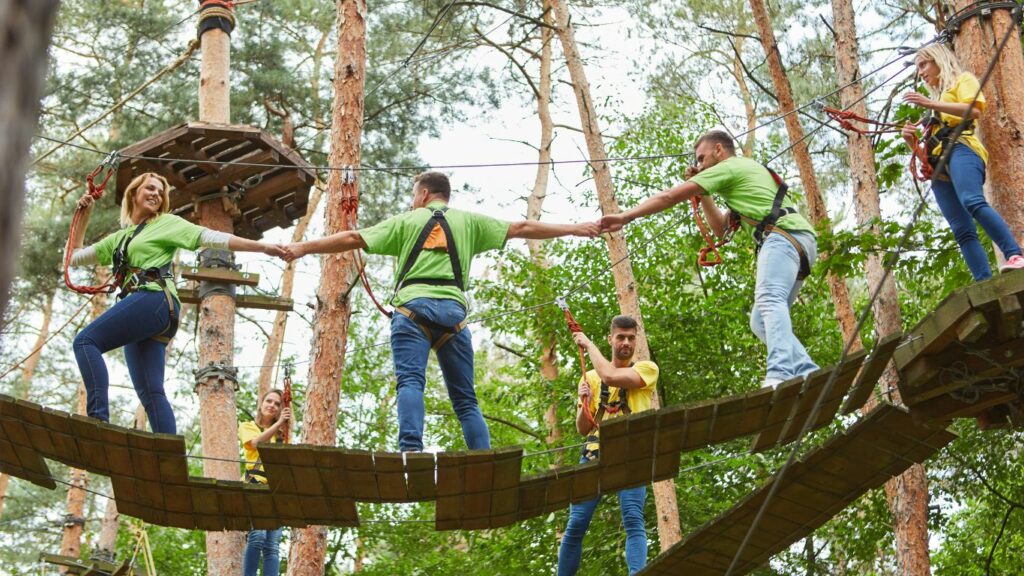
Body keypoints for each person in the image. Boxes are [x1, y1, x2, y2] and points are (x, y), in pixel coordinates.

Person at [281, 171, 598, 452]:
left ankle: (411, 452)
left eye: (413, 196)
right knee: (465, 399)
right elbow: (522, 227)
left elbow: (352, 237)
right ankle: (483, 458)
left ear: (422, 194)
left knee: (410, 383)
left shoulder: (407, 221)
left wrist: (302, 248)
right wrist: (575, 228)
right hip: (454, 317)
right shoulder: (469, 221)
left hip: (412, 311)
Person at [69, 172, 285, 434]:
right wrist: (84, 215)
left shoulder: (166, 223)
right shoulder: (119, 239)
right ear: (133, 194)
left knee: (85, 341)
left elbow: (211, 237)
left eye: (160, 193)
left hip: (154, 300)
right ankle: (168, 458)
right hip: (151, 311)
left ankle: (98, 421)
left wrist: (262, 248)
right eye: (150, 189)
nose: (156, 195)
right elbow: (74, 257)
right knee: (151, 392)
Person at [598, 130, 818, 388]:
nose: (699, 165)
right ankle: (806, 370)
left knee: (770, 299)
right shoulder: (743, 174)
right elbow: (721, 229)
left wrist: (626, 217)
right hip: (798, 241)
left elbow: (669, 196)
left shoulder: (730, 166)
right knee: (760, 321)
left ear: (719, 150)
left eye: (702, 159)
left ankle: (780, 372)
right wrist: (705, 195)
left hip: (783, 238)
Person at [901, 43, 1024, 281]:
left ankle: (1014, 254)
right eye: (918, 68)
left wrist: (930, 104)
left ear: (938, 60)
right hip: (938, 167)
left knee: (972, 200)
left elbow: (974, 111)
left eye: (924, 64)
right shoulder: (933, 106)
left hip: (962, 149)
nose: (921, 72)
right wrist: (912, 143)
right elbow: (926, 155)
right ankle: (983, 282)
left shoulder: (962, 81)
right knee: (962, 231)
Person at [558, 315, 658, 576]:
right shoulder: (590, 378)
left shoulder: (647, 369)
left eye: (631, 338)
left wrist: (588, 344)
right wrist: (584, 401)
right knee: (576, 523)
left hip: (630, 456)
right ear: (610, 339)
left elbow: (611, 376)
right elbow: (583, 428)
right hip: (594, 454)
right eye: (621, 337)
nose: (626, 342)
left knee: (633, 518)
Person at [238, 389, 291, 576]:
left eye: (277, 404)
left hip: (277, 490)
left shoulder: (282, 436)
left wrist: (285, 426)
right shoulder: (247, 426)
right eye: (269, 401)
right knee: (258, 536)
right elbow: (255, 443)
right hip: (255, 485)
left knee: (272, 545)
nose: (272, 405)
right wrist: (278, 424)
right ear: (261, 404)